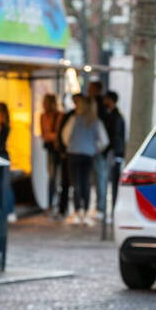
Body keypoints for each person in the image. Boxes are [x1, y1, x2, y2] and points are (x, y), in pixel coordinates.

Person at [61, 94, 108, 226]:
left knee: (76, 183)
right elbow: (104, 141)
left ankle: (77, 212)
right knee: (86, 183)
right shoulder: (95, 121)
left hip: (74, 153)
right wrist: (94, 148)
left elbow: (65, 136)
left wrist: (71, 145)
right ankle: (86, 211)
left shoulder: (74, 119)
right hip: (88, 154)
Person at [86, 80, 110, 218]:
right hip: (92, 147)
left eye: (91, 88)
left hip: (97, 148)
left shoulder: (99, 106)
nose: (88, 90)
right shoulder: (95, 103)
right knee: (95, 178)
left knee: (100, 177)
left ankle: (100, 207)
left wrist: (101, 148)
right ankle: (97, 207)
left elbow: (103, 131)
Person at [101, 91, 126, 210]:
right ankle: (113, 208)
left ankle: (114, 208)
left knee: (114, 182)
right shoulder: (115, 115)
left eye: (105, 99)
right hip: (115, 152)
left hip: (114, 153)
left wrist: (107, 151)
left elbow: (115, 136)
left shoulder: (115, 116)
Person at [40, 94, 63, 216]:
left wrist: (51, 136)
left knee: (57, 177)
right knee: (52, 177)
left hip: (58, 150)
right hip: (50, 149)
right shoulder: (43, 116)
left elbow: (57, 134)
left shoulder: (59, 116)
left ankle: (57, 204)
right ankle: (50, 204)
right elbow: (45, 134)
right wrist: (51, 136)